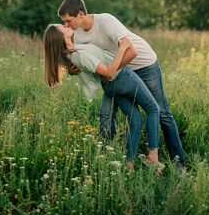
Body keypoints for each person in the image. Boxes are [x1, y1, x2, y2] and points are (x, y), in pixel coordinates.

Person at [57, 0, 187, 169]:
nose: (66, 25)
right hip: (120, 73)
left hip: (143, 64)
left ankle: (179, 163)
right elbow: (92, 61)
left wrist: (111, 71)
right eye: (63, 22)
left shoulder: (106, 21)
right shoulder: (78, 35)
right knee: (109, 113)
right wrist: (76, 71)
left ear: (80, 14)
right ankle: (115, 161)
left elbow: (131, 52)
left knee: (161, 111)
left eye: (68, 20)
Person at [43, 24, 162, 170]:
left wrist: (71, 70)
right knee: (153, 108)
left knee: (135, 120)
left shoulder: (72, 52)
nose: (65, 25)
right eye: (62, 27)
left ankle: (129, 163)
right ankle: (153, 155)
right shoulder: (79, 54)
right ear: (62, 37)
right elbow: (109, 72)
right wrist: (123, 49)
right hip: (121, 77)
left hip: (111, 87)